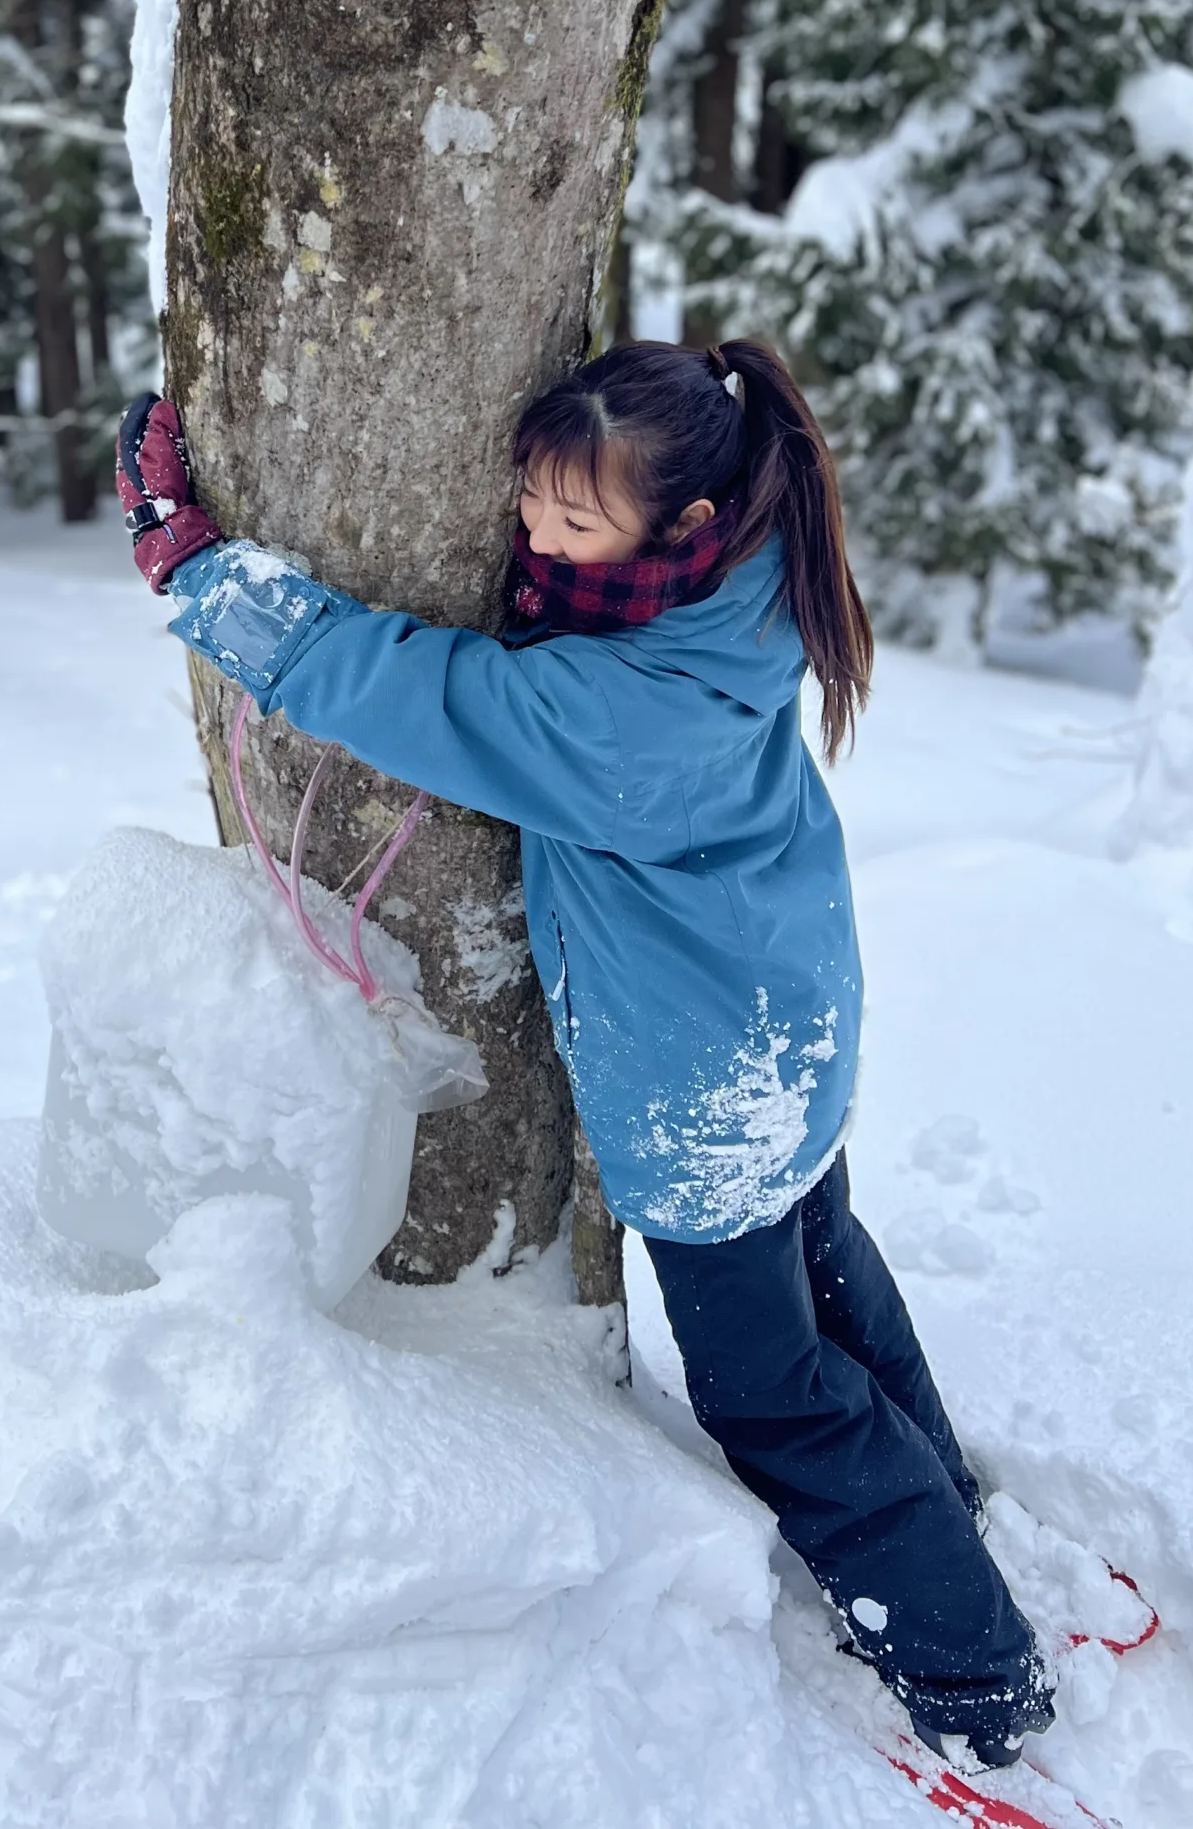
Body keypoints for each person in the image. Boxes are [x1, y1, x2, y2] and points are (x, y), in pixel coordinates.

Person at [114, 339, 1053, 1772]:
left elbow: (418, 689)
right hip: (784, 1025)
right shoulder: (738, 585)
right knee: (824, 1269)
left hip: (703, 1087)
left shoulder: (627, 712)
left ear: (677, 523)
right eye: (530, 503)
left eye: (571, 520)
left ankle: (976, 1679)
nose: (530, 540)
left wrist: (198, 572)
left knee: (766, 1390)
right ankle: (949, 1506)